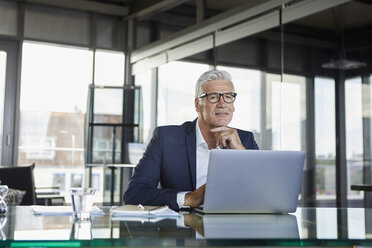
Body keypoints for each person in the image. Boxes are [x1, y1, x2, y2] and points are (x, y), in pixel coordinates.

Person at [124, 70, 259, 210]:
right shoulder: (166, 138)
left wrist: (242, 155)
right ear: (197, 104)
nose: (222, 104)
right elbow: (134, 194)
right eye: (213, 97)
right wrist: (190, 198)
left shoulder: (245, 140)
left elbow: (263, 195)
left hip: (233, 228)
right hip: (183, 228)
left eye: (228, 97)